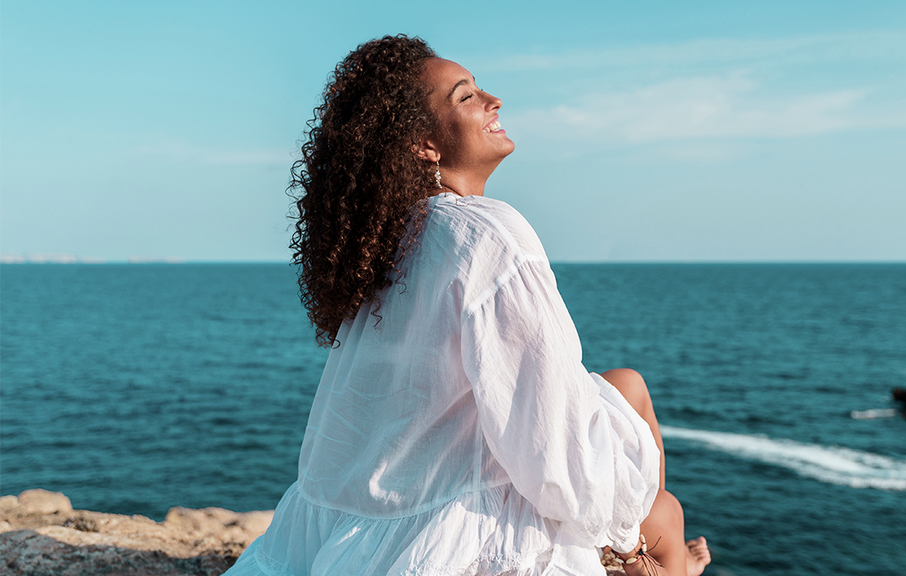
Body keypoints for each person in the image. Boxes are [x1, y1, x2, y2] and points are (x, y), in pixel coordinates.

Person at [224, 35, 711, 576]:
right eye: (466, 96)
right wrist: (621, 536)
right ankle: (661, 566)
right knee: (663, 514)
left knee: (628, 384)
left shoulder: (398, 239)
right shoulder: (488, 234)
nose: (493, 100)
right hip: (442, 535)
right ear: (424, 145)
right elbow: (552, 446)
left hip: (355, 522)